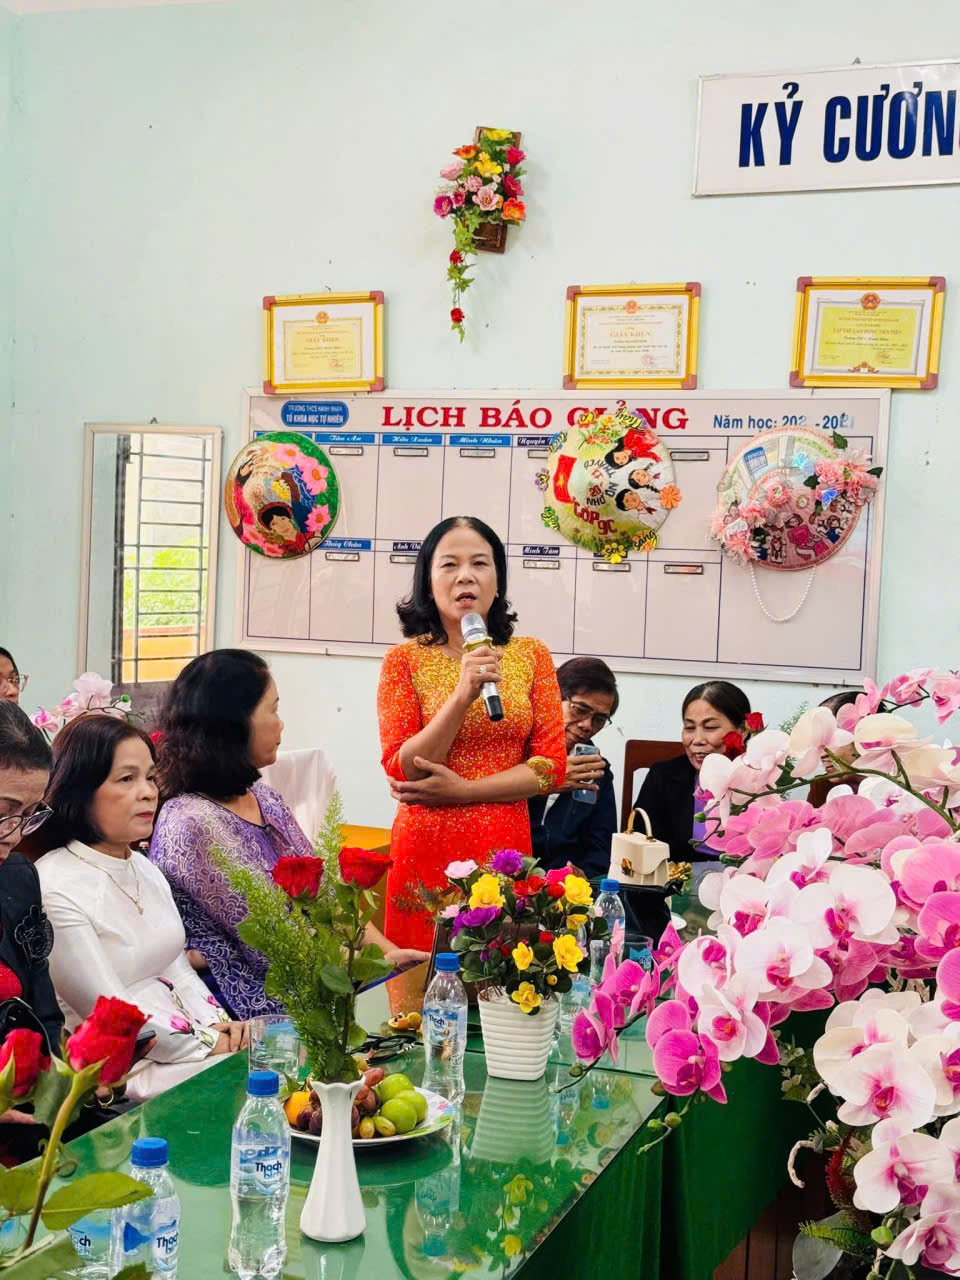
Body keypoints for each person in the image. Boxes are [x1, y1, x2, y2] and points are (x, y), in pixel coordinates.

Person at [150, 650, 422, 1019]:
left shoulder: (261, 796)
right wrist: (367, 968)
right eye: (273, 710)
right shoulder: (192, 821)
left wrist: (388, 955)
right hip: (252, 997)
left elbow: (326, 897)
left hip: (315, 968)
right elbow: (274, 938)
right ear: (234, 722)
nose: (281, 725)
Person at [378, 516, 567, 949]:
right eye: (450, 564)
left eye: (480, 563)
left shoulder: (532, 655)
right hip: (427, 845)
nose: (466, 576)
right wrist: (463, 694)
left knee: (502, 975)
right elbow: (405, 769)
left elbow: (551, 767)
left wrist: (464, 791)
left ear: (497, 582)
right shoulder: (403, 661)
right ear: (428, 583)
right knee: (421, 978)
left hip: (502, 845)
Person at [38, 714, 247, 1103]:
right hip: (126, 1072)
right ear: (81, 789)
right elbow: (110, 1013)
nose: (148, 792)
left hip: (186, 1047)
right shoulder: (56, 886)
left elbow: (177, 967)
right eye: (126, 779)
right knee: (259, 1075)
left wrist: (222, 1030)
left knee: (274, 1057)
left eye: (150, 777)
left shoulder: (143, 866)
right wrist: (210, 1044)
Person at [633, 680, 751, 881]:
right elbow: (640, 845)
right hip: (675, 888)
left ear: (742, 731)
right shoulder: (663, 777)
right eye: (689, 727)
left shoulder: (760, 779)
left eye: (710, 727)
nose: (697, 740)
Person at [0, 702, 62, 1054]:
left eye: (29, 814)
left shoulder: (17, 879)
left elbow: (46, 1016)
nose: (14, 835)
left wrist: (60, 1076)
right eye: (2, 812)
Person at [528, 657, 618, 880]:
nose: (587, 725)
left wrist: (583, 873)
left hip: (566, 887)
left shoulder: (597, 771)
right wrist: (546, 781)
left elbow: (602, 847)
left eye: (599, 719)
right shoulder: (514, 754)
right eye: (580, 709)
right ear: (552, 698)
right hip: (509, 873)